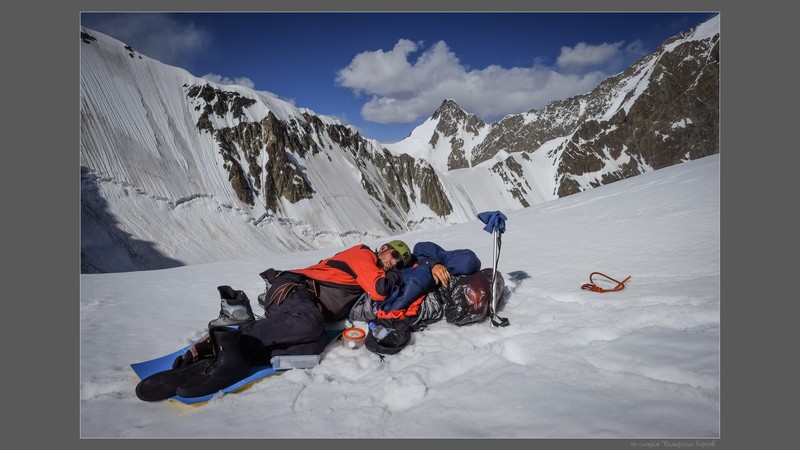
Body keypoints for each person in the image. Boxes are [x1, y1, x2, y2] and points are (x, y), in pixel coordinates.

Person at [135, 240, 414, 401]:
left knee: (311, 350)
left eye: (401, 262)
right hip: (294, 290)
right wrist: (396, 275)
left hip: (300, 305)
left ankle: (224, 353)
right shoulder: (363, 254)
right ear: (383, 248)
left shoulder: (376, 264)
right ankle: (231, 342)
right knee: (311, 323)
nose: (395, 262)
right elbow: (379, 289)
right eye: (394, 255)